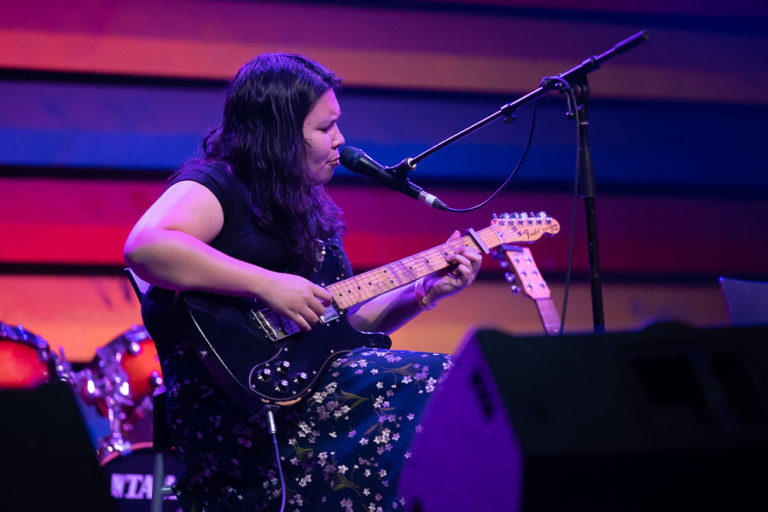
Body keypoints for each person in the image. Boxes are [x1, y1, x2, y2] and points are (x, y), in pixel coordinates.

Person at [124, 53, 482, 512]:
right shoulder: (218, 183)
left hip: (314, 399)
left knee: (454, 393)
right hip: (244, 421)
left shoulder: (306, 207)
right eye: (325, 127)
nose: (340, 139)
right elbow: (146, 247)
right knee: (441, 383)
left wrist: (421, 292)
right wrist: (267, 284)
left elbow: (341, 330)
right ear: (279, 133)